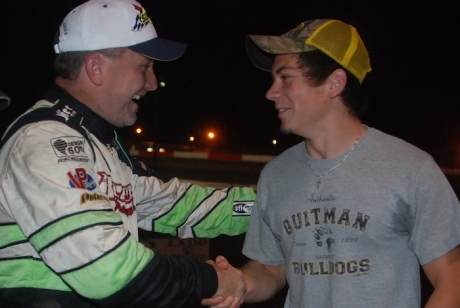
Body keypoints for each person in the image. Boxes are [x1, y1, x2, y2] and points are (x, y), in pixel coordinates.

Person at [0, 0, 254, 307]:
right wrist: (212, 280)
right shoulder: (45, 141)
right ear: (96, 68)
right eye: (145, 66)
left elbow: (179, 205)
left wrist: (272, 205)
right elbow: (108, 270)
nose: (152, 83)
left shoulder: (98, 143)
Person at [204, 19, 460, 307]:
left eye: (285, 77)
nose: (271, 92)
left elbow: (452, 281)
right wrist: (237, 283)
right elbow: (271, 268)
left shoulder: (411, 169)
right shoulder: (275, 175)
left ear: (335, 83)